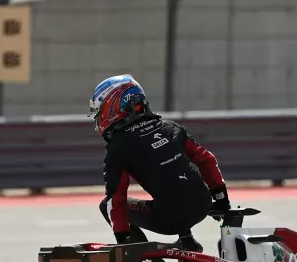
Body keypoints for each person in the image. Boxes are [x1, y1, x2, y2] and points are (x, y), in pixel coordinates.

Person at [89, 74, 231, 252]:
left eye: (100, 110)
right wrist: (222, 200)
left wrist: (123, 240)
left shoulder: (118, 147)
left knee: (106, 205)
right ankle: (187, 241)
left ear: (114, 106)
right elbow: (207, 160)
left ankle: (149, 260)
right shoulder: (170, 127)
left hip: (171, 220)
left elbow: (116, 199)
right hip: (203, 204)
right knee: (174, 183)